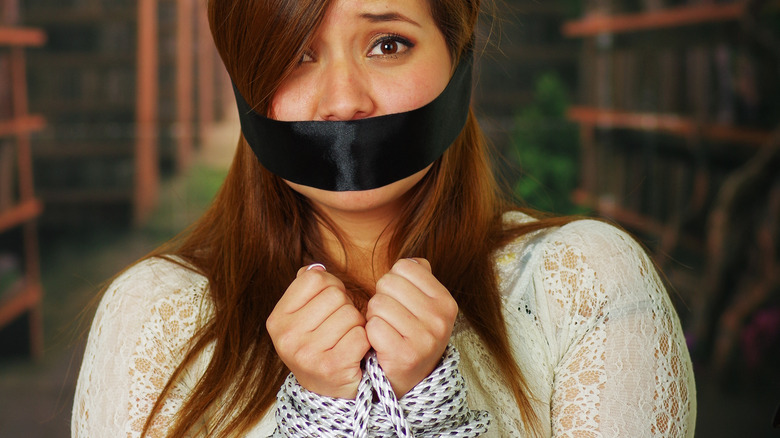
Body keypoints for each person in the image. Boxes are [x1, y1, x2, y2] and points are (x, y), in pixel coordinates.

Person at [72, 0, 697, 436]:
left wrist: (431, 410)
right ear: (244, 81)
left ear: (459, 53)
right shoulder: (152, 313)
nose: (344, 100)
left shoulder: (588, 282)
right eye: (296, 52)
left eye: (388, 43)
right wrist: (323, 417)